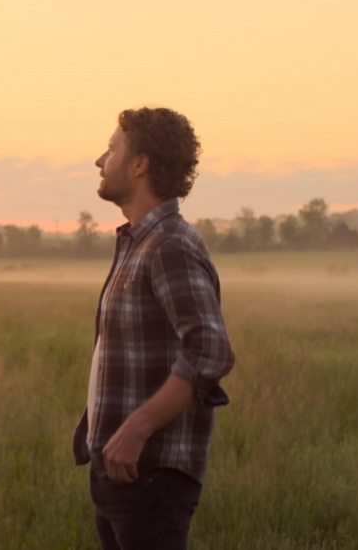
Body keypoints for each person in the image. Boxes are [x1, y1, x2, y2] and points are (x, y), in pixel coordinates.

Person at [73, 107, 236, 550]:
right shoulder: (138, 243)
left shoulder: (170, 246)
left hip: (151, 476)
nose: (100, 161)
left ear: (140, 163)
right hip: (119, 471)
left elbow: (209, 352)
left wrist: (135, 429)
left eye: (111, 150)